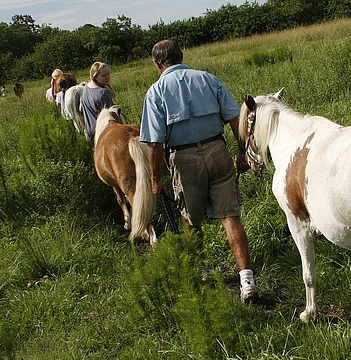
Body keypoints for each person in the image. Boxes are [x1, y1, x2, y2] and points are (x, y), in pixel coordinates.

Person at [139, 39, 259, 302]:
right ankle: (247, 280)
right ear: (182, 56)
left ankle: (204, 271)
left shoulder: (156, 91)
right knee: (230, 216)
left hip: (184, 158)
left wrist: (155, 178)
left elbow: (155, 143)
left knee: (190, 219)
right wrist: (241, 152)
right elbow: (235, 118)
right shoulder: (207, 79)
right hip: (217, 150)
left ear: (157, 64)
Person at [80, 62, 115, 146]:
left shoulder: (85, 88)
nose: (107, 77)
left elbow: (80, 109)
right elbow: (111, 118)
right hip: (102, 133)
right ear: (95, 76)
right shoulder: (103, 93)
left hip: (89, 132)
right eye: (103, 75)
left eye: (108, 74)